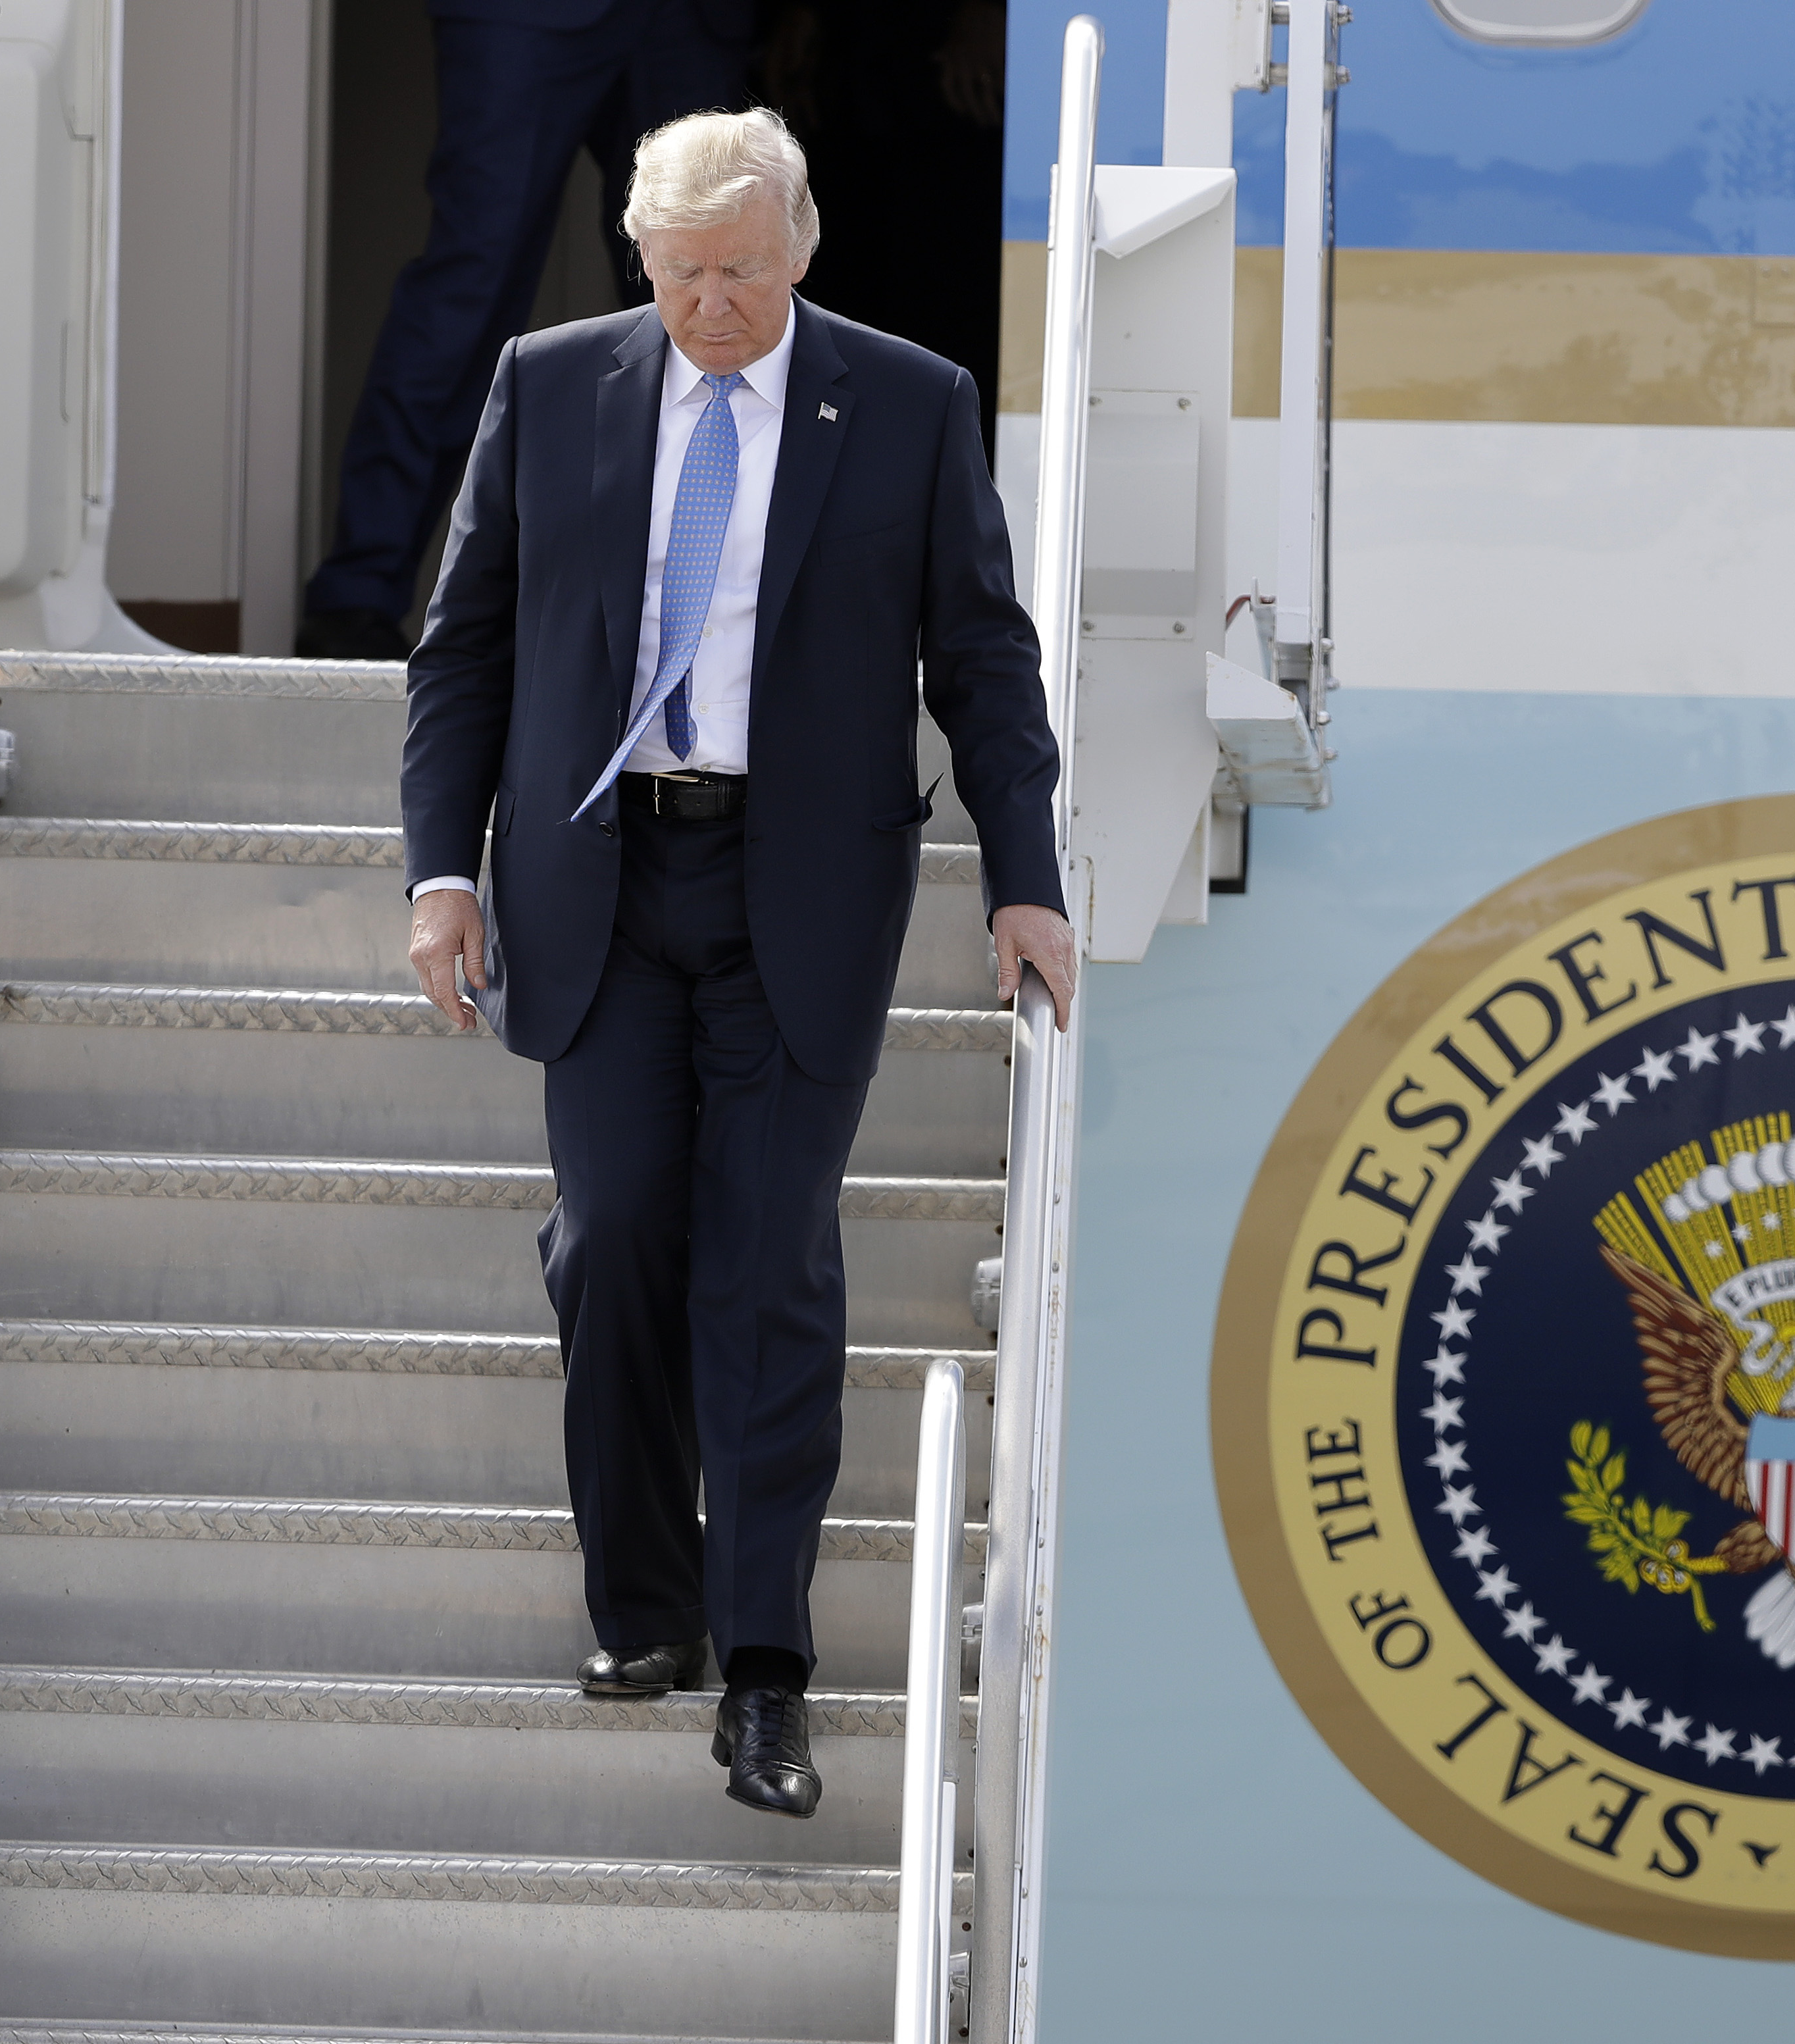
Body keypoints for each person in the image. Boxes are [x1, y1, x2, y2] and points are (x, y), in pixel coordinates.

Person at [399, 108, 1076, 1819]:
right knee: (617, 1240)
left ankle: (766, 1672)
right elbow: (460, 647)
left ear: (801, 247)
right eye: (685, 274)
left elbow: (981, 659)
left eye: (746, 274)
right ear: (643, 258)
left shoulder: (907, 403)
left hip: (798, 893)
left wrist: (1025, 878)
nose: (714, 306)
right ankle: (642, 1610)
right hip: (599, 885)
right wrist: (438, 876)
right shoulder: (552, 388)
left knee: (766, 1266)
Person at [298, 0, 754, 661]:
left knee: (715, 290)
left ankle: (725, 599)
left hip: (687, 20)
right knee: (469, 284)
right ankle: (357, 592)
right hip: (522, 14)